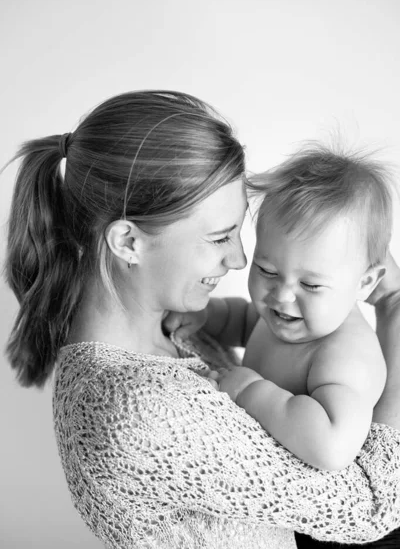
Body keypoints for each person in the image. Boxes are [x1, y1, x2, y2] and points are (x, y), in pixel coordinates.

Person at [4, 91, 400, 549]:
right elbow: (372, 505)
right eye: (219, 238)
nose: (239, 259)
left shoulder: (169, 330)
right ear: (128, 241)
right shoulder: (141, 409)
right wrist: (393, 305)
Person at [167, 145, 393, 471]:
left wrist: (250, 390)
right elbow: (248, 322)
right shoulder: (292, 317)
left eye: (311, 285)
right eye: (267, 271)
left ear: (364, 283)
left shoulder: (346, 357)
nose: (282, 296)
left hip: (313, 514)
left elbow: (332, 447)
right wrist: (209, 315)